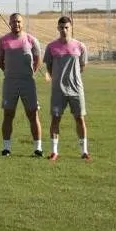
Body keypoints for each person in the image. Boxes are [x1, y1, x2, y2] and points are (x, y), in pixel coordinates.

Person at [43, 16, 91, 161]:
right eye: (61, 27)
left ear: (71, 28)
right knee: (55, 119)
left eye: (67, 27)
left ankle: (84, 152)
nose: (64, 30)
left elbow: (82, 66)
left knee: (80, 119)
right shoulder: (51, 47)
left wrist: (72, 78)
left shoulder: (80, 46)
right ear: (58, 28)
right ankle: (54, 152)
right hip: (58, 91)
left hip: (76, 89)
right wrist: (58, 79)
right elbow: (49, 67)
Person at [0, 13, 44, 157]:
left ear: (22, 23)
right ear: (9, 23)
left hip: (28, 82)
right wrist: (10, 73)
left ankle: (38, 148)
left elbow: (37, 60)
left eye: (18, 22)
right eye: (13, 22)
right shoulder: (3, 41)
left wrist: (29, 74)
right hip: (10, 82)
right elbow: (0, 60)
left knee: (33, 114)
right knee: (8, 114)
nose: (16, 24)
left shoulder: (31, 40)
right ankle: (6, 148)